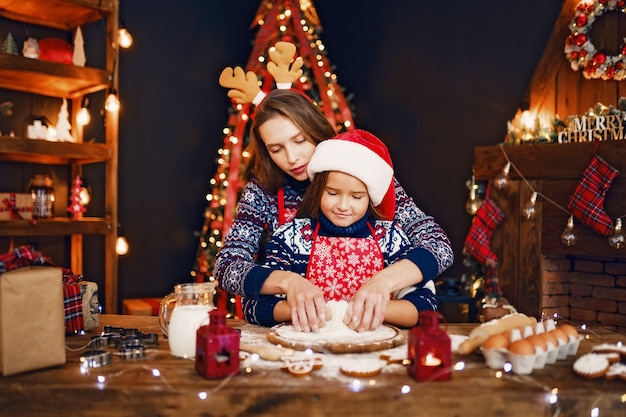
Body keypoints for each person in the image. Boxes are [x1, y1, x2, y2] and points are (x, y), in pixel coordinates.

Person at [214, 88, 453, 332]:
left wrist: (383, 282)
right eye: (276, 149)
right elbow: (227, 267)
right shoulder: (263, 192)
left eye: (300, 141)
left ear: (316, 130)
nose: (293, 157)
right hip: (303, 333)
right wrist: (289, 283)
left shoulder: (363, 171)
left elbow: (439, 246)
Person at [259, 129, 438, 330]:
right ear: (318, 191)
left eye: (356, 197)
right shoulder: (290, 238)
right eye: (333, 193)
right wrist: (311, 310)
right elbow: (255, 306)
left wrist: (362, 311)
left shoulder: (391, 239)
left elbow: (425, 307)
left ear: (371, 198)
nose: (343, 206)